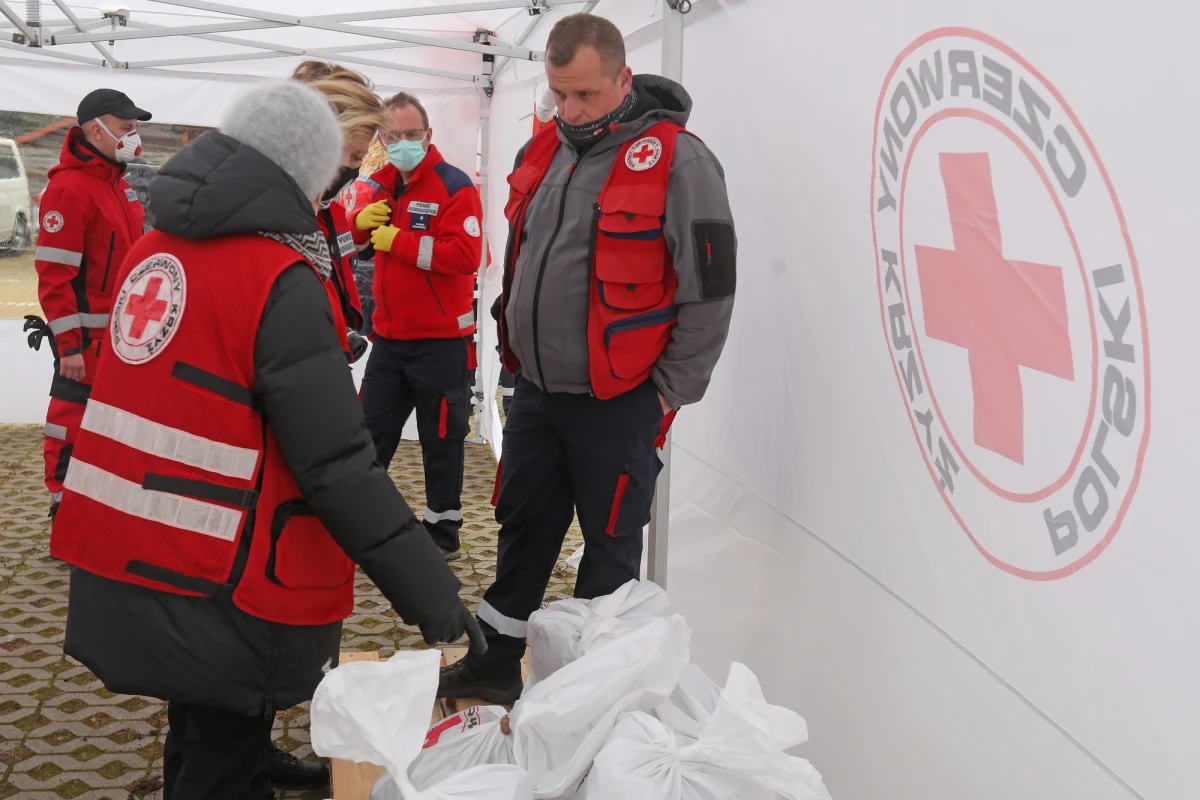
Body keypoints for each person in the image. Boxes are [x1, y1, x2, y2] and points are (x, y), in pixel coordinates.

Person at [49, 81, 482, 800]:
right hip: (229, 560)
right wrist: (432, 593)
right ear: (308, 167)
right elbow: (339, 464)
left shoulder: (157, 244)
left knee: (200, 722)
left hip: (142, 542)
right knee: (218, 761)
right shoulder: (277, 274)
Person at [438, 12, 737, 705]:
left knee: (608, 552)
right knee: (524, 528)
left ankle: (589, 697)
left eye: (586, 96)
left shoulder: (679, 160)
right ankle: (494, 662)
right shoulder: (545, 150)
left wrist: (664, 395)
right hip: (539, 393)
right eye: (558, 94)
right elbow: (523, 261)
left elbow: (711, 293)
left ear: (623, 80)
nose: (570, 111)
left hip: (620, 400)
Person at [348, 92, 484, 560]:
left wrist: (397, 241)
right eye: (393, 136)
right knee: (368, 436)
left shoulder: (454, 186)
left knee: (441, 441)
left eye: (411, 134)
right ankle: (362, 527)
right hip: (389, 340)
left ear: (428, 135)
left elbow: (464, 257)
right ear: (382, 140)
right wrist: (359, 224)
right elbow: (357, 247)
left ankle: (442, 533)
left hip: (442, 344)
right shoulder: (380, 184)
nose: (403, 143)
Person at [23, 89, 150, 519]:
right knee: (71, 424)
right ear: (96, 130)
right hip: (87, 344)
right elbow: (55, 277)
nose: (134, 136)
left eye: (135, 128)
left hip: (122, 339)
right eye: (125, 128)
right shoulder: (69, 190)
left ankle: (103, 509)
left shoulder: (121, 187)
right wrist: (69, 346)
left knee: (115, 426)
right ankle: (65, 508)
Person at [292, 60, 383, 365]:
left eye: (361, 157)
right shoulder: (272, 224)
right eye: (354, 155)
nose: (354, 168)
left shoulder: (332, 210)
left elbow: (341, 264)